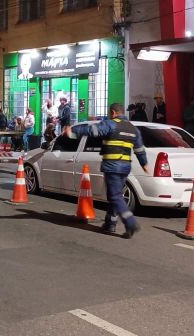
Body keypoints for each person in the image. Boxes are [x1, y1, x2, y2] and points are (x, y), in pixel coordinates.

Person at [64, 102, 149, 238]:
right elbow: (139, 149)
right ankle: (110, 224)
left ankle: (131, 222)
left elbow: (92, 130)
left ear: (113, 113)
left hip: (113, 166)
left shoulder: (111, 124)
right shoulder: (133, 129)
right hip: (125, 167)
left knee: (115, 196)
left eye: (110, 113)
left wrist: (73, 131)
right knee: (116, 196)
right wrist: (144, 163)